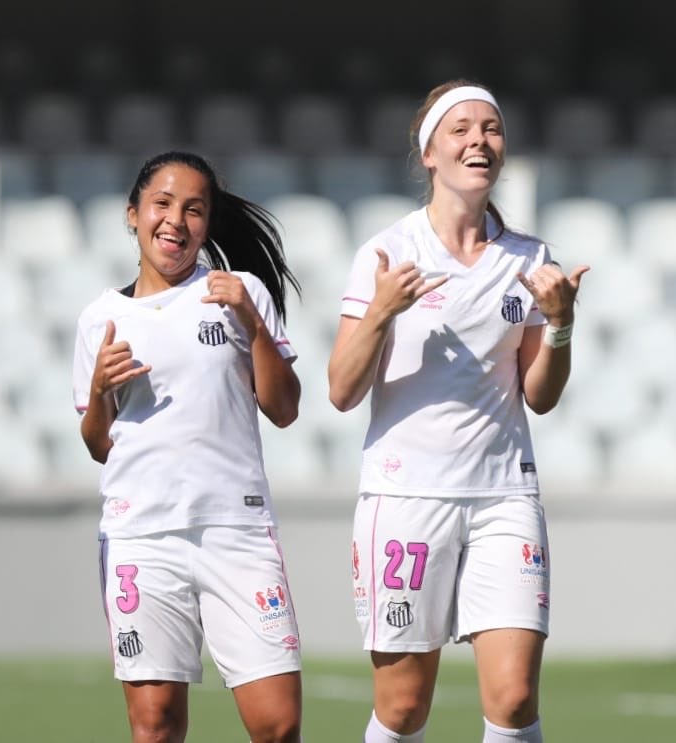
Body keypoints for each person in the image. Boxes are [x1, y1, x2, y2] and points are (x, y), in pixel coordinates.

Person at [328, 80, 589, 743]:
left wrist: (558, 326)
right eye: (462, 128)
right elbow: (341, 389)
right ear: (431, 153)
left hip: (505, 497)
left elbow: (542, 394)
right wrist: (383, 310)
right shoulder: (387, 255)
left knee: (514, 696)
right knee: (404, 707)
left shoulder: (531, 259)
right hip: (405, 495)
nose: (480, 139)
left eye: (492, 128)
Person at [72, 151, 304, 743]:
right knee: (155, 727)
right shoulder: (100, 316)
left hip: (236, 531)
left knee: (277, 725)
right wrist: (99, 390)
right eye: (163, 204)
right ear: (133, 214)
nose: (176, 220)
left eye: (194, 209)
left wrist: (252, 324)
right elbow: (99, 444)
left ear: (208, 223)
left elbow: (284, 408)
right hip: (141, 536)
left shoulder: (239, 293)